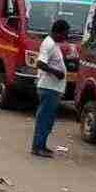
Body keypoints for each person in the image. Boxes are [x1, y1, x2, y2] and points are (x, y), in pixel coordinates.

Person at [31, 18, 70, 158]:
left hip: (53, 88)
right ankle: (37, 147)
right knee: (44, 119)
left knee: (48, 119)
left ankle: (42, 145)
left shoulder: (54, 44)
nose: (66, 37)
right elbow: (40, 63)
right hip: (48, 87)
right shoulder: (48, 44)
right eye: (65, 33)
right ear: (58, 32)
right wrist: (56, 72)